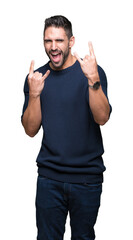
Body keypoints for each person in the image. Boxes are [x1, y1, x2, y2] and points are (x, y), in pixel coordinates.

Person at [21, 15, 112, 240]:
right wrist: (34, 95)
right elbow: (30, 130)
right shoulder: (36, 79)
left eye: (59, 41)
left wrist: (93, 80)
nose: (53, 47)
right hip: (49, 179)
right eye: (48, 41)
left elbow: (102, 118)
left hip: (87, 179)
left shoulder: (92, 72)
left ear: (71, 42)